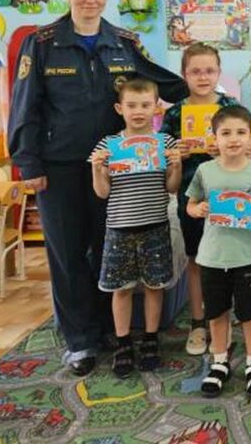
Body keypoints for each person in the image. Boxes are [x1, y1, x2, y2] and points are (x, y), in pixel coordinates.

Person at [8, 0, 188, 376]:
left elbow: (163, 82)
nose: (90, 0)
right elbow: (24, 105)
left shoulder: (124, 43)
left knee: (109, 252)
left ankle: (111, 329)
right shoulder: (42, 43)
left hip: (116, 169)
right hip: (60, 167)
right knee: (68, 254)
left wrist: (201, 96)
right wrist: (27, 162)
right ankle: (81, 340)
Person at [90, 78, 181, 377]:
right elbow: (102, 192)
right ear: (120, 109)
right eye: (131, 105)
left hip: (155, 226)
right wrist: (97, 168)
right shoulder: (108, 145)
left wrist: (176, 166)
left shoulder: (165, 143)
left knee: (155, 286)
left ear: (156, 107)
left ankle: (151, 338)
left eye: (145, 105)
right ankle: (123, 342)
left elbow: (171, 188)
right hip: (119, 228)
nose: (138, 111)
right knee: (121, 289)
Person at [186, 105, 251, 399]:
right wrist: (198, 209)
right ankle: (219, 361)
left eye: (240, 132)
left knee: (250, 312)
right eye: (225, 133)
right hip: (212, 257)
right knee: (216, 311)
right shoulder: (205, 170)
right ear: (215, 137)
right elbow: (190, 204)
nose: (233, 139)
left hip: (248, 256)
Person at [160, 42, 240, 357]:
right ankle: (197, 323)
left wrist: (226, 149)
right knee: (196, 260)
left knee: (228, 260)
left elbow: (249, 147)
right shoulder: (174, 113)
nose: (203, 77)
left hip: (228, 192)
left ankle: (223, 320)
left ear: (219, 72)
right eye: (195, 71)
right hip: (191, 197)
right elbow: (162, 157)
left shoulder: (231, 107)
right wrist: (174, 155)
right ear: (184, 75)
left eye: (209, 70)